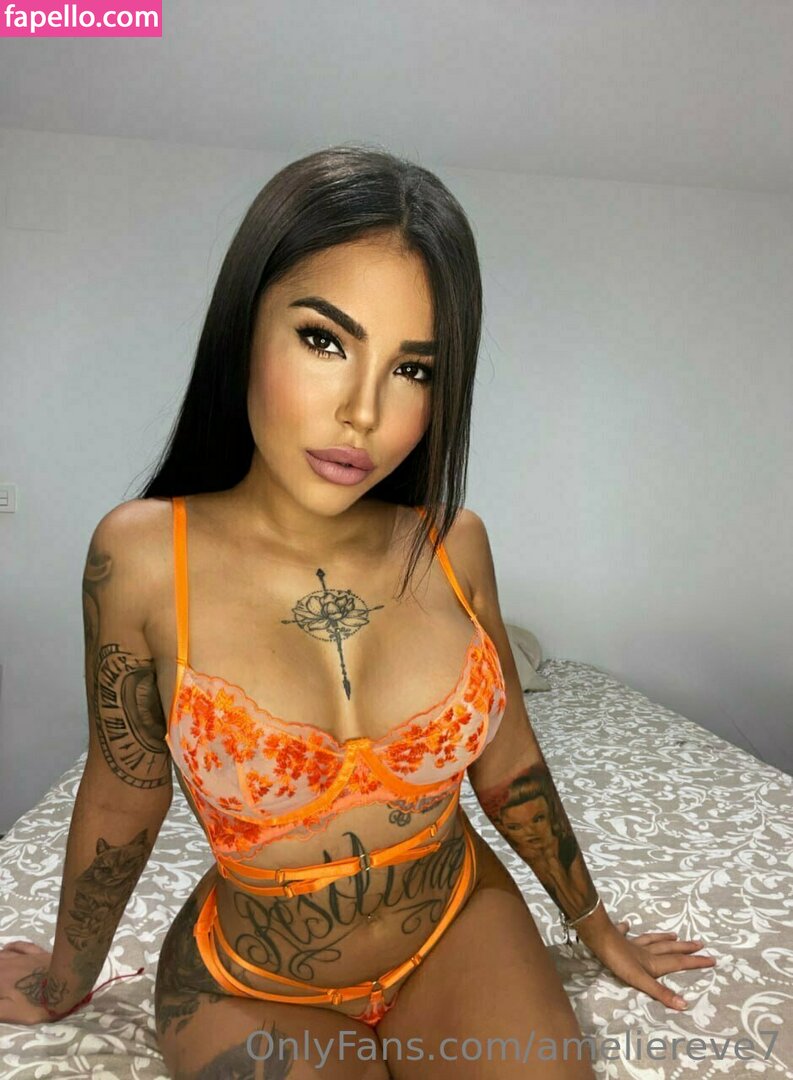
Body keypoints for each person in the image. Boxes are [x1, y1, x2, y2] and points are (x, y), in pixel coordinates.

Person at [0, 145, 714, 1078]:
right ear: (243, 327)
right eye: (325, 341)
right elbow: (121, 795)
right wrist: (63, 980)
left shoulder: (453, 543)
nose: (363, 413)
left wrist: (596, 928)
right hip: (247, 979)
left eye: (412, 369)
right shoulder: (139, 555)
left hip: (458, 921)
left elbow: (508, 764)